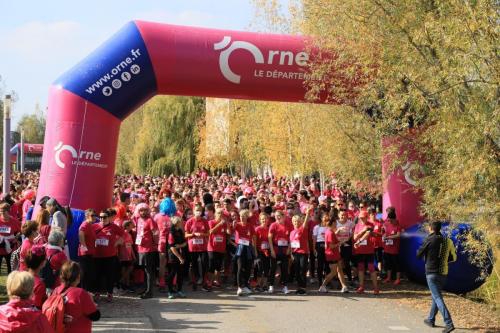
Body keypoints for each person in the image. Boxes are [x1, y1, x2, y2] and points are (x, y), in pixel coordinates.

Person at [417, 221, 457, 333]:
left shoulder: (429, 239)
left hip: (431, 273)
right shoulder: (447, 241)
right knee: (436, 296)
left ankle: (449, 323)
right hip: (443, 273)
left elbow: (418, 254)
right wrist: (443, 259)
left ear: (430, 228)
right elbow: (454, 258)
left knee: (437, 297)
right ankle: (431, 319)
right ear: (440, 229)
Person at [52, 261, 101, 333]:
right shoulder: (81, 293)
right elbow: (95, 316)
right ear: (78, 277)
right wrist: (91, 300)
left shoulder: (56, 291)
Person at [93, 209, 123, 302]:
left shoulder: (114, 227)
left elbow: (124, 235)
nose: (102, 219)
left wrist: (118, 242)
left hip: (110, 256)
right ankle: (97, 293)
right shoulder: (94, 226)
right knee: (97, 275)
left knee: (109, 276)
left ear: (109, 218)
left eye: (104, 217)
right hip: (97, 256)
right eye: (101, 217)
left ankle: (109, 293)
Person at [135, 204, 159, 299]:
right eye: (141, 210)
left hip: (149, 249)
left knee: (149, 270)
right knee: (144, 269)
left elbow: (156, 233)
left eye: (145, 210)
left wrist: (155, 244)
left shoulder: (150, 220)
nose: (143, 212)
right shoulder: (139, 220)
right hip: (140, 247)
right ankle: (146, 289)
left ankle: (150, 292)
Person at [319, 219, 349, 293]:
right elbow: (331, 246)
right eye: (335, 223)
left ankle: (344, 286)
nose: (336, 224)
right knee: (333, 272)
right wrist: (341, 242)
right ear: (332, 223)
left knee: (340, 270)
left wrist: (339, 240)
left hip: (335, 254)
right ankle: (323, 286)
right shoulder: (330, 232)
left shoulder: (330, 231)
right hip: (332, 254)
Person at [184, 205, 210, 291]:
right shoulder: (189, 221)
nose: (198, 211)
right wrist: (193, 234)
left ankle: (204, 283)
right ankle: (194, 282)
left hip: (203, 247)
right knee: (194, 265)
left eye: (199, 210)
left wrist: (202, 234)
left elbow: (208, 233)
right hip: (193, 247)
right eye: (196, 210)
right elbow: (186, 234)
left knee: (204, 264)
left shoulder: (204, 221)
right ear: (194, 211)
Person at [353, 210, 379, 294]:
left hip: (369, 251)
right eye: (360, 218)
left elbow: (368, 233)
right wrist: (362, 231)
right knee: (360, 269)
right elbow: (354, 237)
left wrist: (359, 241)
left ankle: (375, 288)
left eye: (363, 218)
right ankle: (361, 287)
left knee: (371, 269)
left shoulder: (370, 224)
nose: (361, 219)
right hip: (360, 251)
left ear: (366, 217)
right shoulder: (357, 226)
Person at [233, 209, 257, 296]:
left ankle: (246, 285)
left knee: (248, 268)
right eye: (241, 216)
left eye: (244, 216)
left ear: (247, 217)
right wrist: (233, 225)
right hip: (240, 248)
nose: (242, 218)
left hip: (248, 248)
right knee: (240, 268)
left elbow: (254, 237)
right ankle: (239, 287)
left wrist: (254, 249)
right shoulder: (237, 225)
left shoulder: (250, 226)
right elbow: (232, 230)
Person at [289, 206, 312, 295]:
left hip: (303, 253)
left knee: (302, 270)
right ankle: (299, 287)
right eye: (294, 221)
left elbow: (306, 222)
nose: (296, 223)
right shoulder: (291, 232)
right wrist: (291, 254)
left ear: (300, 222)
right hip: (295, 253)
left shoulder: (302, 229)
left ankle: (303, 288)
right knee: (297, 271)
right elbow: (291, 244)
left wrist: (307, 213)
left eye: (298, 221)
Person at [268, 209, 291, 294]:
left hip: (285, 249)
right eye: (276, 216)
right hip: (275, 248)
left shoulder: (288, 225)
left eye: (279, 215)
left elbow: (291, 237)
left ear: (283, 216)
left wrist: (289, 248)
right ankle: (271, 285)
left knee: (284, 268)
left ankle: (284, 286)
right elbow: (270, 238)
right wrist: (272, 250)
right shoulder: (273, 225)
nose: (277, 217)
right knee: (273, 268)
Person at [166, 216, 187, 299]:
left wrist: (180, 246)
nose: (182, 222)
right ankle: (170, 291)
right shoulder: (171, 232)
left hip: (181, 254)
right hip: (173, 256)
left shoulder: (180, 231)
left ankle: (179, 290)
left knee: (180, 274)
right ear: (177, 223)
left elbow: (185, 243)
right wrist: (179, 257)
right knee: (172, 273)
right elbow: (172, 247)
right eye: (180, 221)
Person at [207, 207, 228, 288]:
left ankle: (216, 281)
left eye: (222, 214)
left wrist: (228, 224)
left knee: (218, 266)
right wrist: (219, 224)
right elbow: (211, 231)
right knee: (211, 265)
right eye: (219, 213)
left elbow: (228, 232)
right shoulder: (211, 222)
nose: (220, 215)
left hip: (221, 248)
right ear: (215, 214)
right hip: (212, 247)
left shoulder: (224, 224)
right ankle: (209, 281)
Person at [78, 209, 97, 293]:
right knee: (85, 275)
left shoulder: (90, 225)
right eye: (92, 215)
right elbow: (80, 233)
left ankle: (86, 294)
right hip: (85, 254)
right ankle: (83, 294)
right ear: (87, 216)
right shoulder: (85, 224)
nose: (94, 217)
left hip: (89, 254)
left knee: (89, 275)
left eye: (94, 215)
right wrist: (83, 246)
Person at [0, 203, 21, 274]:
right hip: (0, 247)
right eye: (0, 211)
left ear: (8, 211)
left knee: (11, 268)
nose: (2, 212)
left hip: (10, 248)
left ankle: (10, 283)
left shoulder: (14, 221)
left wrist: (16, 238)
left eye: (4, 211)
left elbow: (21, 232)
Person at [383, 210, 402, 285]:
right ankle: (388, 278)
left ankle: (398, 279)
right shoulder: (387, 224)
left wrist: (389, 237)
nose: (389, 221)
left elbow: (398, 235)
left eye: (390, 220)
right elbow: (385, 233)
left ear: (394, 219)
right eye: (388, 220)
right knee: (388, 264)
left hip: (394, 249)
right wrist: (384, 236)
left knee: (396, 264)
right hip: (387, 248)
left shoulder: (398, 226)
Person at [254, 213, 271, 292]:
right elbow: (254, 241)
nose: (264, 220)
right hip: (259, 251)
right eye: (262, 219)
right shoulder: (257, 229)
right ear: (260, 220)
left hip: (268, 251)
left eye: (265, 219)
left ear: (268, 220)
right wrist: (255, 252)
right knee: (260, 267)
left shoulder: (269, 229)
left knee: (267, 268)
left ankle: (264, 285)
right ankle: (257, 284)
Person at [313, 212, 330, 287]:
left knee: (328, 265)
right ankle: (320, 281)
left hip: (328, 246)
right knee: (320, 265)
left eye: (327, 217)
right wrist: (314, 248)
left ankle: (327, 281)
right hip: (320, 245)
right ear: (321, 218)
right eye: (324, 217)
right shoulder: (317, 227)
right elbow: (314, 238)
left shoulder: (330, 227)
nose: (326, 218)